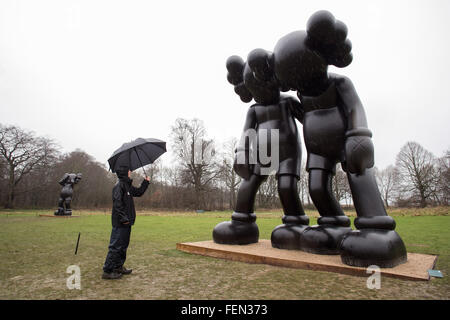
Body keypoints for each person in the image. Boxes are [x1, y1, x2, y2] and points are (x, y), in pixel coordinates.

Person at [102, 165, 150, 279]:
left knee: (123, 246)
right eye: (129, 170)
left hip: (127, 222)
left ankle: (118, 266)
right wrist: (123, 219)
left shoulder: (127, 186)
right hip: (120, 223)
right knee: (115, 246)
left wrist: (146, 182)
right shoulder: (119, 186)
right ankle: (108, 271)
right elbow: (117, 204)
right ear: (124, 172)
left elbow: (138, 192)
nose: (130, 172)